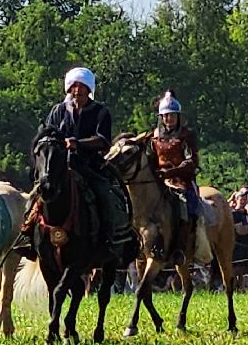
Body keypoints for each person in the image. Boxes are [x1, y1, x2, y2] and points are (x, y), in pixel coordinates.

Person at [40, 66, 131, 251]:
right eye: (74, 86)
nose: (77, 90)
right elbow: (47, 134)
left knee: (104, 194)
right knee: (37, 194)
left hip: (89, 166)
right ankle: (29, 235)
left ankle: (109, 237)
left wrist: (78, 143)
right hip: (60, 166)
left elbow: (103, 140)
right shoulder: (58, 111)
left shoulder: (100, 112)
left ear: (90, 89)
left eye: (82, 87)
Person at [150, 90, 202, 263]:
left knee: (187, 208)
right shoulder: (154, 136)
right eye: (165, 116)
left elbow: (190, 161)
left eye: (172, 115)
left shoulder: (186, 135)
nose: (168, 119)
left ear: (178, 116)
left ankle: (180, 247)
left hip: (182, 180)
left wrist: (170, 173)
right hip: (159, 180)